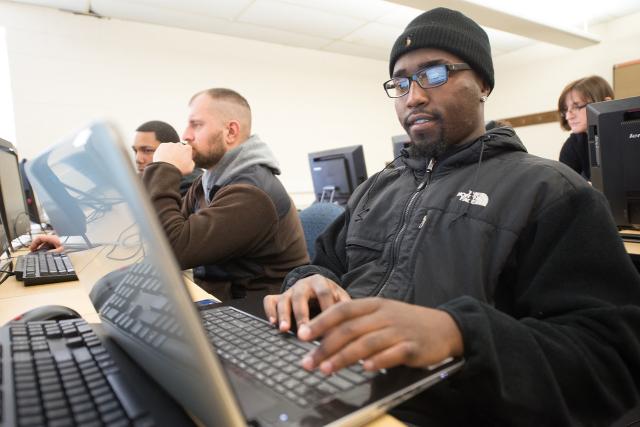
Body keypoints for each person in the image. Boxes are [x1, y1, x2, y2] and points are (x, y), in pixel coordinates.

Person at [263, 7, 640, 426]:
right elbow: (325, 265)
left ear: (483, 82)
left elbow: (611, 361)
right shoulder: (377, 187)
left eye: (435, 73)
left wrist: (459, 333)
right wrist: (308, 283)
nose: (414, 96)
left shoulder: (551, 192)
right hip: (336, 382)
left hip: (451, 407)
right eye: (401, 81)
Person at [143, 88, 309, 300]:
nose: (185, 135)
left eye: (197, 124)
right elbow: (163, 235)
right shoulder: (207, 181)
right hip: (222, 302)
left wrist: (165, 168)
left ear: (230, 132)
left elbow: (171, 251)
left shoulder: (252, 193)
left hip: (259, 317)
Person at [557, 76, 613, 180]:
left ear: (606, 103)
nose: (568, 116)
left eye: (577, 106)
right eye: (566, 109)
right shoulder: (572, 146)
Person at [132, 120, 203, 195]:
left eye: (147, 150)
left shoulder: (190, 187)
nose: (138, 159)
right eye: (135, 151)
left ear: (171, 150)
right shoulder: (139, 183)